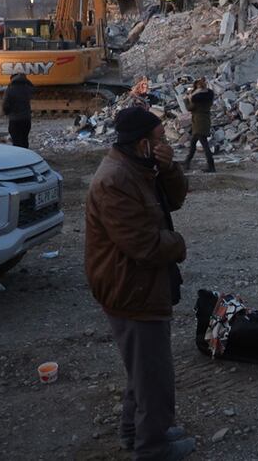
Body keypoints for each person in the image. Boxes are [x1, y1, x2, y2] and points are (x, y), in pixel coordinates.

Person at [85, 106, 195, 460]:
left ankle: (136, 431)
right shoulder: (115, 180)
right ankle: (153, 448)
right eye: (160, 140)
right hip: (130, 286)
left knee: (143, 368)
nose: (165, 144)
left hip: (141, 283)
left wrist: (169, 167)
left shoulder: (139, 169)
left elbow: (174, 199)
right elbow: (143, 245)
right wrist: (179, 245)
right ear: (142, 143)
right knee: (154, 378)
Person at [183, 78, 216, 172]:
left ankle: (211, 166)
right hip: (205, 121)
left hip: (198, 122)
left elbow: (189, 108)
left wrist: (186, 99)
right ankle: (187, 162)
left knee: (204, 145)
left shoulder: (197, 98)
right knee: (193, 143)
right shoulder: (208, 96)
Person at [2, 73, 34, 148]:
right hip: (26, 119)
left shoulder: (9, 89)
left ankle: (19, 157)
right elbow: (33, 88)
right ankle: (26, 155)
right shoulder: (27, 88)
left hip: (15, 120)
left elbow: (5, 104)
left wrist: (7, 112)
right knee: (24, 139)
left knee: (16, 141)